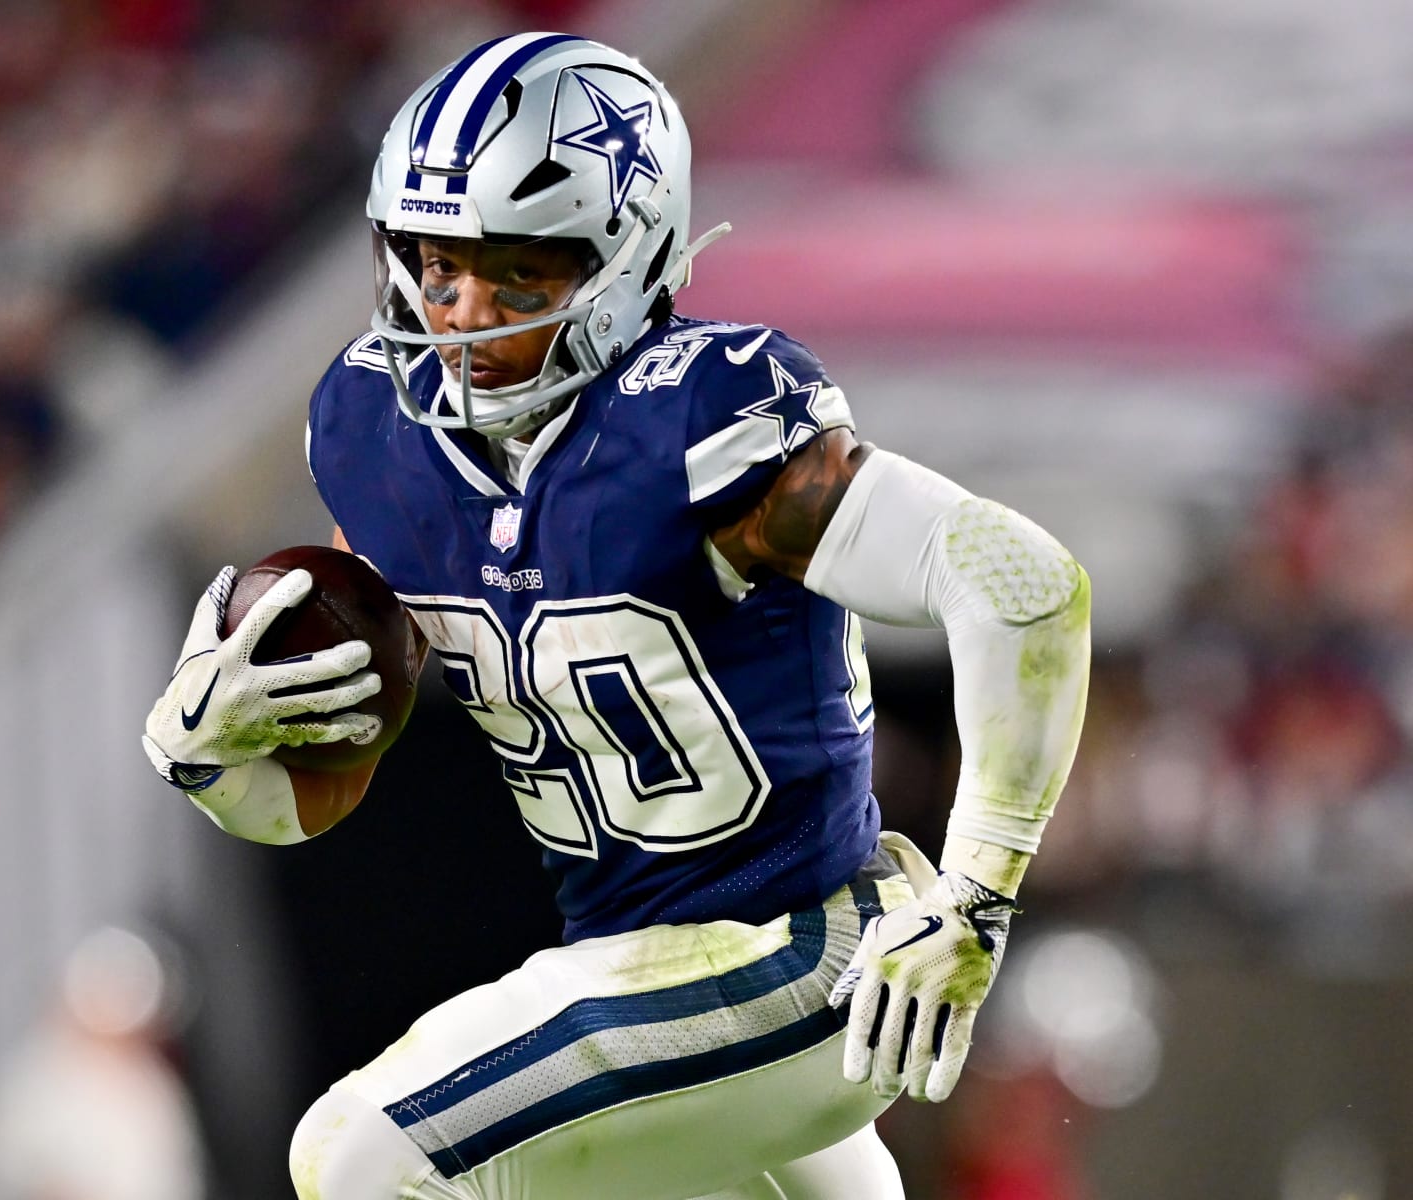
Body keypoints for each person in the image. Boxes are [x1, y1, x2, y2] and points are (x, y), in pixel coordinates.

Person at [141, 32, 1091, 1200]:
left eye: (519, 277)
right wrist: (216, 760)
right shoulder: (373, 433)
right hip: (651, 983)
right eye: (438, 267)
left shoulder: (703, 418)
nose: (464, 316)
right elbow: (305, 802)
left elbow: (1023, 582)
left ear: (627, 260)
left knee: (361, 1152)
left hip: (799, 962)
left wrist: (978, 897)